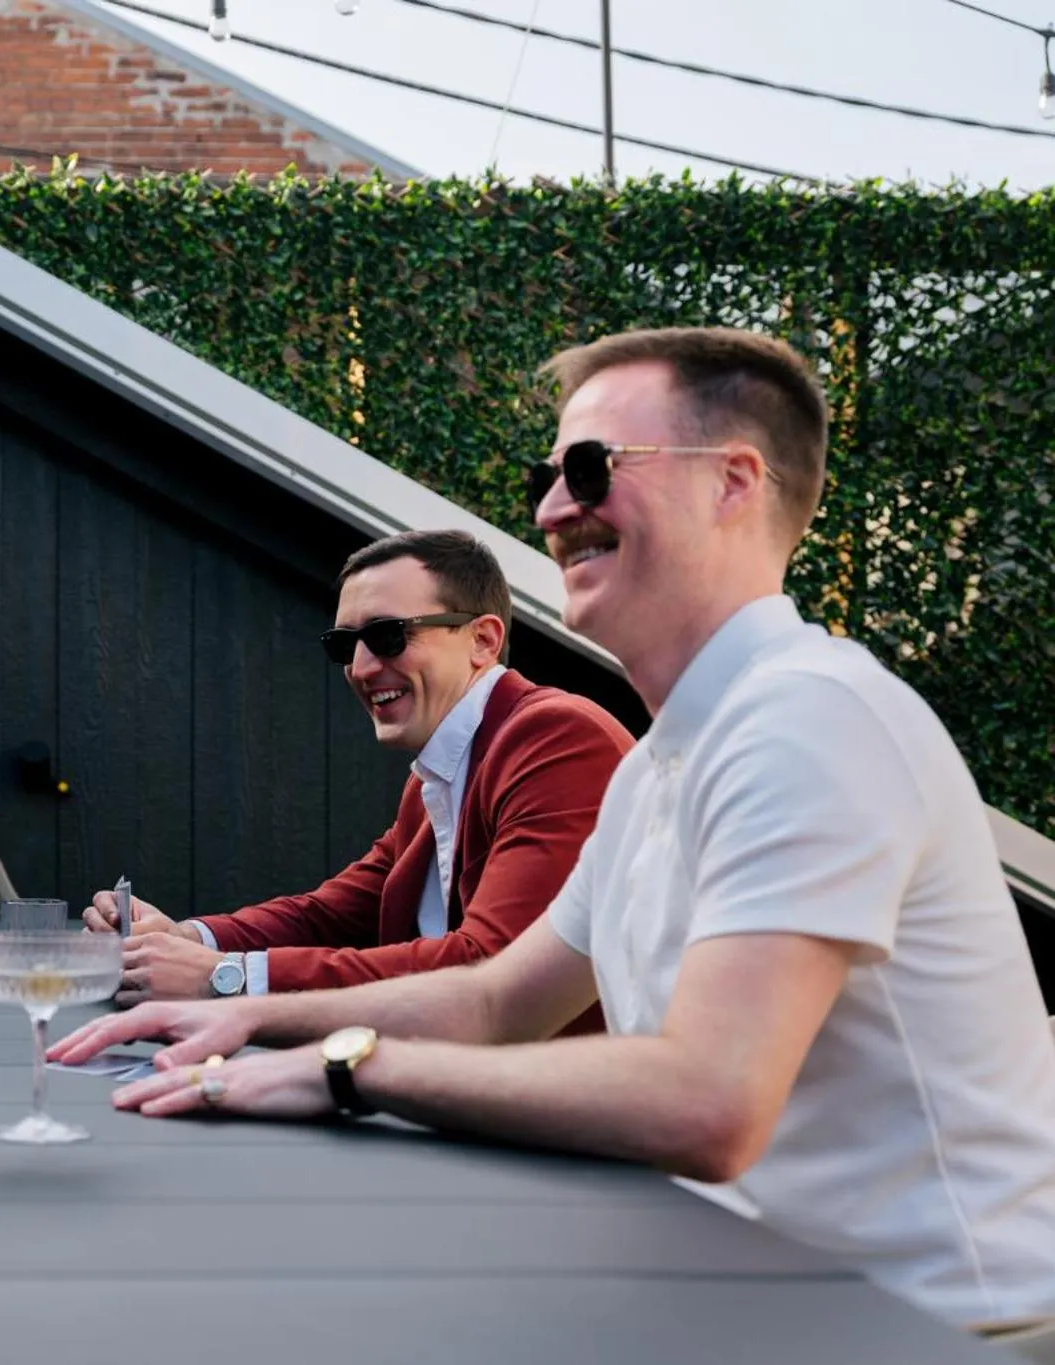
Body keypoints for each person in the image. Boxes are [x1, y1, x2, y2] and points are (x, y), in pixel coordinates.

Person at [52, 327, 1055, 1326]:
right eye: (547, 474)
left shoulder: (807, 719)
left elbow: (706, 1099)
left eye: (590, 468)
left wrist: (345, 1069)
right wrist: (242, 1016)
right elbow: (497, 1000)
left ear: (734, 483)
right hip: (742, 1278)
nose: (548, 508)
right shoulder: (660, 764)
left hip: (916, 1323)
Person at [85, 529, 630, 1012]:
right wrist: (186, 939)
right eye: (345, 644)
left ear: (483, 640)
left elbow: (490, 966)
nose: (363, 667)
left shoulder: (554, 738)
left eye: (389, 635)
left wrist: (227, 978)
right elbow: (333, 914)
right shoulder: (439, 772)